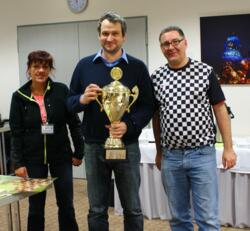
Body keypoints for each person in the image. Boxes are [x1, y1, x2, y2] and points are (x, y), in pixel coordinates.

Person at [67, 11, 154, 231]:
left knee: (132, 207)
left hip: (128, 145)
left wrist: (129, 125)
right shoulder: (84, 65)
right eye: (105, 33)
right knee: (97, 208)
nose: (109, 38)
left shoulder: (137, 67)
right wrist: (82, 99)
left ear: (123, 36)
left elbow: (148, 105)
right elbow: (69, 102)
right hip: (94, 145)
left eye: (115, 33)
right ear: (99, 36)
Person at [151, 26, 237, 231]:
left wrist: (228, 147)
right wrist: (159, 152)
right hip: (171, 157)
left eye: (175, 42)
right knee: (179, 218)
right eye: (165, 44)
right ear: (161, 48)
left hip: (202, 155)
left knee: (207, 218)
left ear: (185, 42)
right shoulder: (156, 77)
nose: (171, 47)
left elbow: (220, 110)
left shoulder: (205, 72)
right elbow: (156, 117)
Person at [9, 50, 84, 231]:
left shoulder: (61, 90)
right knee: (35, 208)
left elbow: (74, 123)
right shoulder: (19, 97)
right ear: (29, 69)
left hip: (61, 156)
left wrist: (79, 151)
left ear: (50, 69)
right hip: (33, 158)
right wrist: (18, 163)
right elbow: (16, 133)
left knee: (66, 204)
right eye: (36, 66)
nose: (41, 70)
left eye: (45, 67)